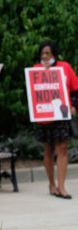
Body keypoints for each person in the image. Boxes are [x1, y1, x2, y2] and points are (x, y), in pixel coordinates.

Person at [33, 41, 78, 199]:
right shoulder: (36, 70)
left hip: (61, 114)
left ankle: (62, 187)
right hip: (45, 116)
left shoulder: (65, 67)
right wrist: (44, 73)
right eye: (42, 53)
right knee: (49, 150)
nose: (44, 56)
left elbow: (75, 89)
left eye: (48, 53)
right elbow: (34, 91)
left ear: (54, 54)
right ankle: (51, 184)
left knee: (63, 148)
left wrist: (74, 106)